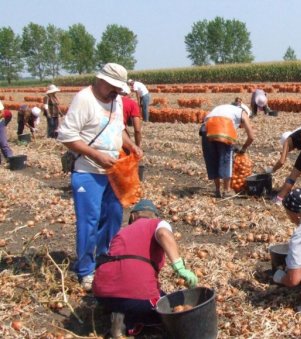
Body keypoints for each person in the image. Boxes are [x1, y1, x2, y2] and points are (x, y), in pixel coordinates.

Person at [57, 63, 143, 291]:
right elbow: (66, 136)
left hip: (112, 172)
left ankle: (105, 259)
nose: (117, 92)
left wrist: (131, 145)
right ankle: (86, 269)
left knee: (114, 217)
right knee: (89, 221)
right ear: (101, 81)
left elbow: (118, 129)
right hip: (88, 171)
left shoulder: (116, 100)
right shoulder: (84, 99)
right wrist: (97, 155)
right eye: (114, 87)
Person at [92, 199, 198, 338]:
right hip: (135, 294)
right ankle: (129, 322)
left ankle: (119, 313)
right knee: (168, 310)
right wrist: (180, 267)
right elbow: (164, 234)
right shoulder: (158, 223)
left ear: (133, 216)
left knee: (128, 300)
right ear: (155, 216)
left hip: (102, 294)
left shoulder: (120, 233)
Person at [200, 104, 255, 198]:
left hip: (206, 129)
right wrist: (243, 148)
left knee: (212, 160)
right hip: (223, 126)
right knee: (226, 158)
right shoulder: (243, 113)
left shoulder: (224, 108)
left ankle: (217, 190)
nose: (241, 127)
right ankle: (227, 191)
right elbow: (251, 137)